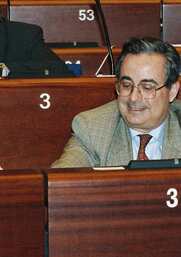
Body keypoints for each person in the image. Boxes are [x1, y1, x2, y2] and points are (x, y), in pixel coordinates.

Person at [51, 37, 181, 168]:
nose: (133, 98)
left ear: (172, 91)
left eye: (147, 88)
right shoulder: (92, 128)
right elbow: (61, 181)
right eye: (126, 85)